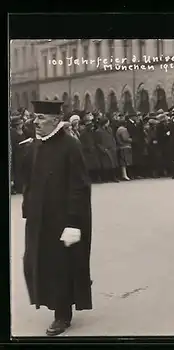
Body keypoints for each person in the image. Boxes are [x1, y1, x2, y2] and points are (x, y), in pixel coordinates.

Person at [21, 100, 92, 336]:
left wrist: (73, 221)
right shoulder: (36, 146)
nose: (35, 121)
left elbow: (80, 186)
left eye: (41, 117)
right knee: (38, 263)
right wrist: (27, 206)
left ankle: (62, 315)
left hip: (62, 219)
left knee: (60, 267)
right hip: (39, 219)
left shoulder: (70, 145)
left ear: (54, 120)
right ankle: (52, 303)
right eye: (35, 117)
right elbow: (30, 181)